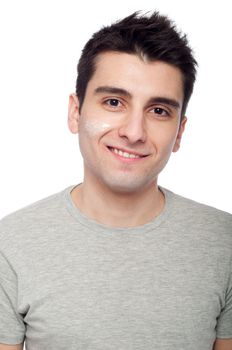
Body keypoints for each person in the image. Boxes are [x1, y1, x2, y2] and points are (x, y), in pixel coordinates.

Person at [0, 11, 231, 350]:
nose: (134, 132)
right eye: (113, 102)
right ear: (76, 113)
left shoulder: (224, 243)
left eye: (159, 111)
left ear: (179, 133)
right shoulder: (10, 244)